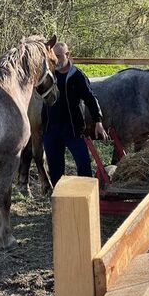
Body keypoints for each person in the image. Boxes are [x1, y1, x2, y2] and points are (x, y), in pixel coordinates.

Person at [42, 42, 108, 187]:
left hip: (73, 129)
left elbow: (90, 98)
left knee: (83, 165)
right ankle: (59, 201)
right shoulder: (48, 75)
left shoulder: (77, 76)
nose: (57, 60)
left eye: (59, 56)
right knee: (55, 171)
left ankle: (87, 196)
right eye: (54, 57)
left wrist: (98, 121)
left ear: (68, 55)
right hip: (51, 130)